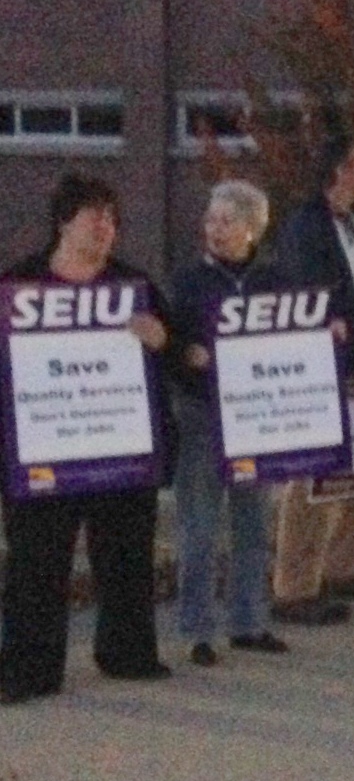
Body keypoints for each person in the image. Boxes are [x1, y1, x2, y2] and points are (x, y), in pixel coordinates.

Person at [0, 175, 173, 704]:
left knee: (125, 554)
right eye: (94, 216)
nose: (105, 227)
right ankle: (29, 669)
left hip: (119, 450)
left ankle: (127, 653)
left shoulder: (133, 287)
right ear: (63, 221)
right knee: (36, 562)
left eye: (112, 219)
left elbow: (175, 346)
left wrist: (159, 336)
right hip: (43, 451)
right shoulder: (19, 286)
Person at [271, 134, 354, 625]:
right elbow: (312, 299)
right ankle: (293, 587)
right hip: (328, 364)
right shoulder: (305, 228)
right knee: (311, 478)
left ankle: (345, 566)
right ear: (340, 171)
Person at [167, 181, 293, 666]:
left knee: (253, 524)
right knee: (198, 526)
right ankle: (197, 629)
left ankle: (248, 622)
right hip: (202, 412)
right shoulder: (185, 280)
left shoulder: (275, 279)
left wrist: (328, 333)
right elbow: (166, 344)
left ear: (252, 229)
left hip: (255, 416)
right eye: (211, 219)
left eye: (226, 221)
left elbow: (292, 335)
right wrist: (185, 353)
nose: (213, 229)